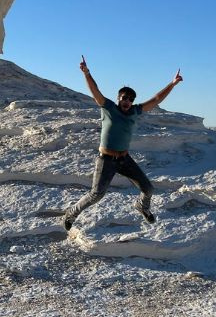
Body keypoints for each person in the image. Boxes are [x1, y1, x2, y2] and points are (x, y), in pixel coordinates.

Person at [63, 56, 183, 230]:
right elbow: (95, 91)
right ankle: (71, 213)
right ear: (118, 98)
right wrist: (87, 73)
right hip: (106, 159)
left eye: (130, 99)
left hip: (125, 159)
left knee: (148, 189)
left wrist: (172, 84)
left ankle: (142, 206)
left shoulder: (135, 111)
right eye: (125, 98)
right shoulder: (108, 107)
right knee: (96, 194)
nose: (127, 101)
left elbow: (156, 99)